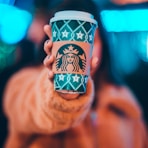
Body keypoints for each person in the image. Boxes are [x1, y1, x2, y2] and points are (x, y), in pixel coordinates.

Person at [2, 0, 147, 147]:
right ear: (51, 44)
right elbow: (33, 107)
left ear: (104, 45)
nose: (76, 50)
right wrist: (62, 95)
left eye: (91, 41)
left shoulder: (126, 107)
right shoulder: (22, 85)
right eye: (66, 40)